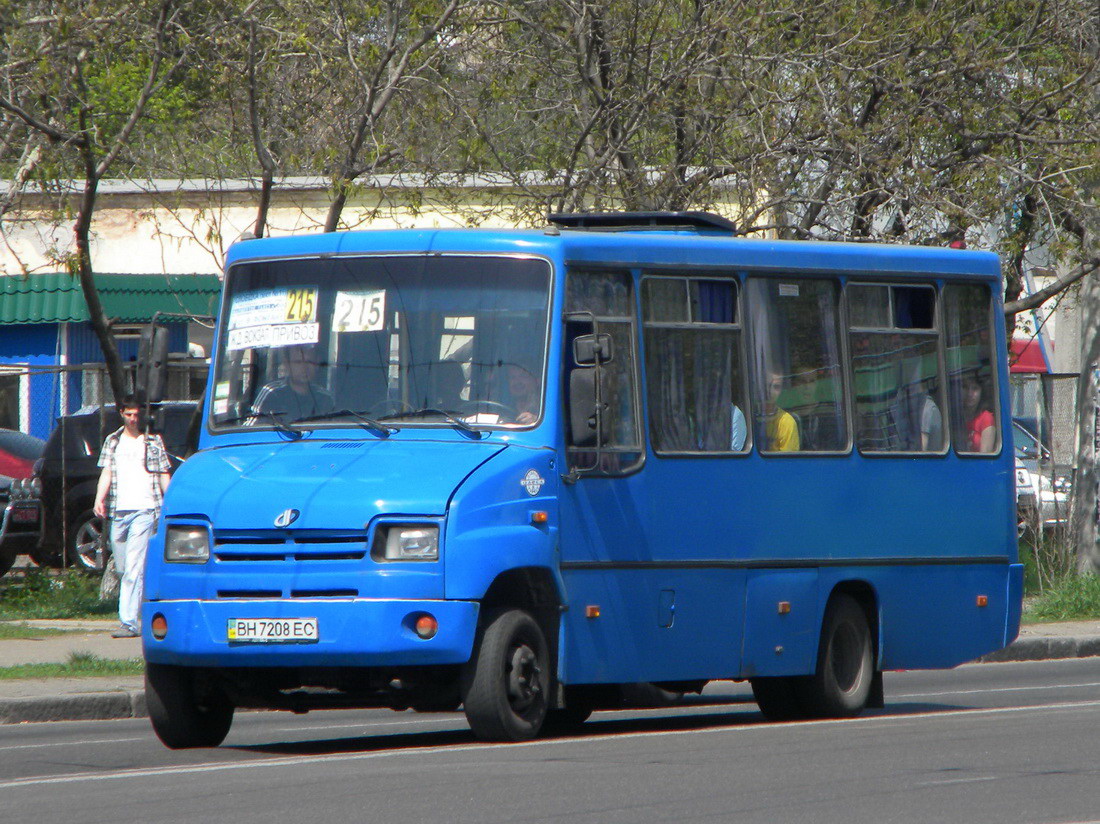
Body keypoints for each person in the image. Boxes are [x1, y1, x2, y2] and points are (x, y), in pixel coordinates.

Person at [93, 397, 172, 638]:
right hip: (119, 510)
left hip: (145, 509)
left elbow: (163, 473)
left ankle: (128, 622)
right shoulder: (113, 441)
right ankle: (144, 609)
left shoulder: (152, 441)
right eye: (129, 414)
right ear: (121, 414)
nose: (133, 419)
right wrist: (99, 498)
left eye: (136, 414)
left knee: (134, 569)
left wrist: (170, 501)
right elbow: (106, 471)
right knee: (123, 567)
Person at [252, 344, 335, 422]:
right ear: (287, 364)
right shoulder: (271, 393)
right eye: (298, 362)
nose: (304, 367)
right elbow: (252, 429)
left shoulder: (325, 398)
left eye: (309, 362)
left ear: (316, 365)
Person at [764, 371, 799, 451]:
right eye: (766, 385)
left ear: (781, 391)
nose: (770, 391)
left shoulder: (787, 422)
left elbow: (788, 462)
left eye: (776, 387)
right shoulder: (748, 418)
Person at [960, 373, 995, 452]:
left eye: (975, 389)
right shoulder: (956, 417)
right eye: (965, 387)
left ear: (981, 392)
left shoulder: (986, 418)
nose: (969, 394)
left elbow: (985, 455)